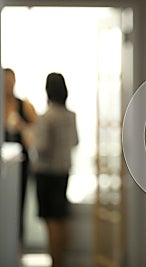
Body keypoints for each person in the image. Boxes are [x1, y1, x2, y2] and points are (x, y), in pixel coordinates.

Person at [32, 73, 78, 267]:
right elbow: (75, 141)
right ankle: (62, 260)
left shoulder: (46, 117)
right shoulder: (70, 116)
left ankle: (55, 262)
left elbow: (41, 147)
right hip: (63, 172)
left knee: (50, 220)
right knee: (61, 217)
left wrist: (28, 135)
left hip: (47, 173)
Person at [3, 68, 37, 245]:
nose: (8, 85)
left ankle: (18, 244)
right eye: (5, 81)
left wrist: (21, 126)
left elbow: (36, 135)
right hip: (3, 165)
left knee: (18, 204)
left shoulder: (24, 105)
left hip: (20, 165)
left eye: (10, 81)